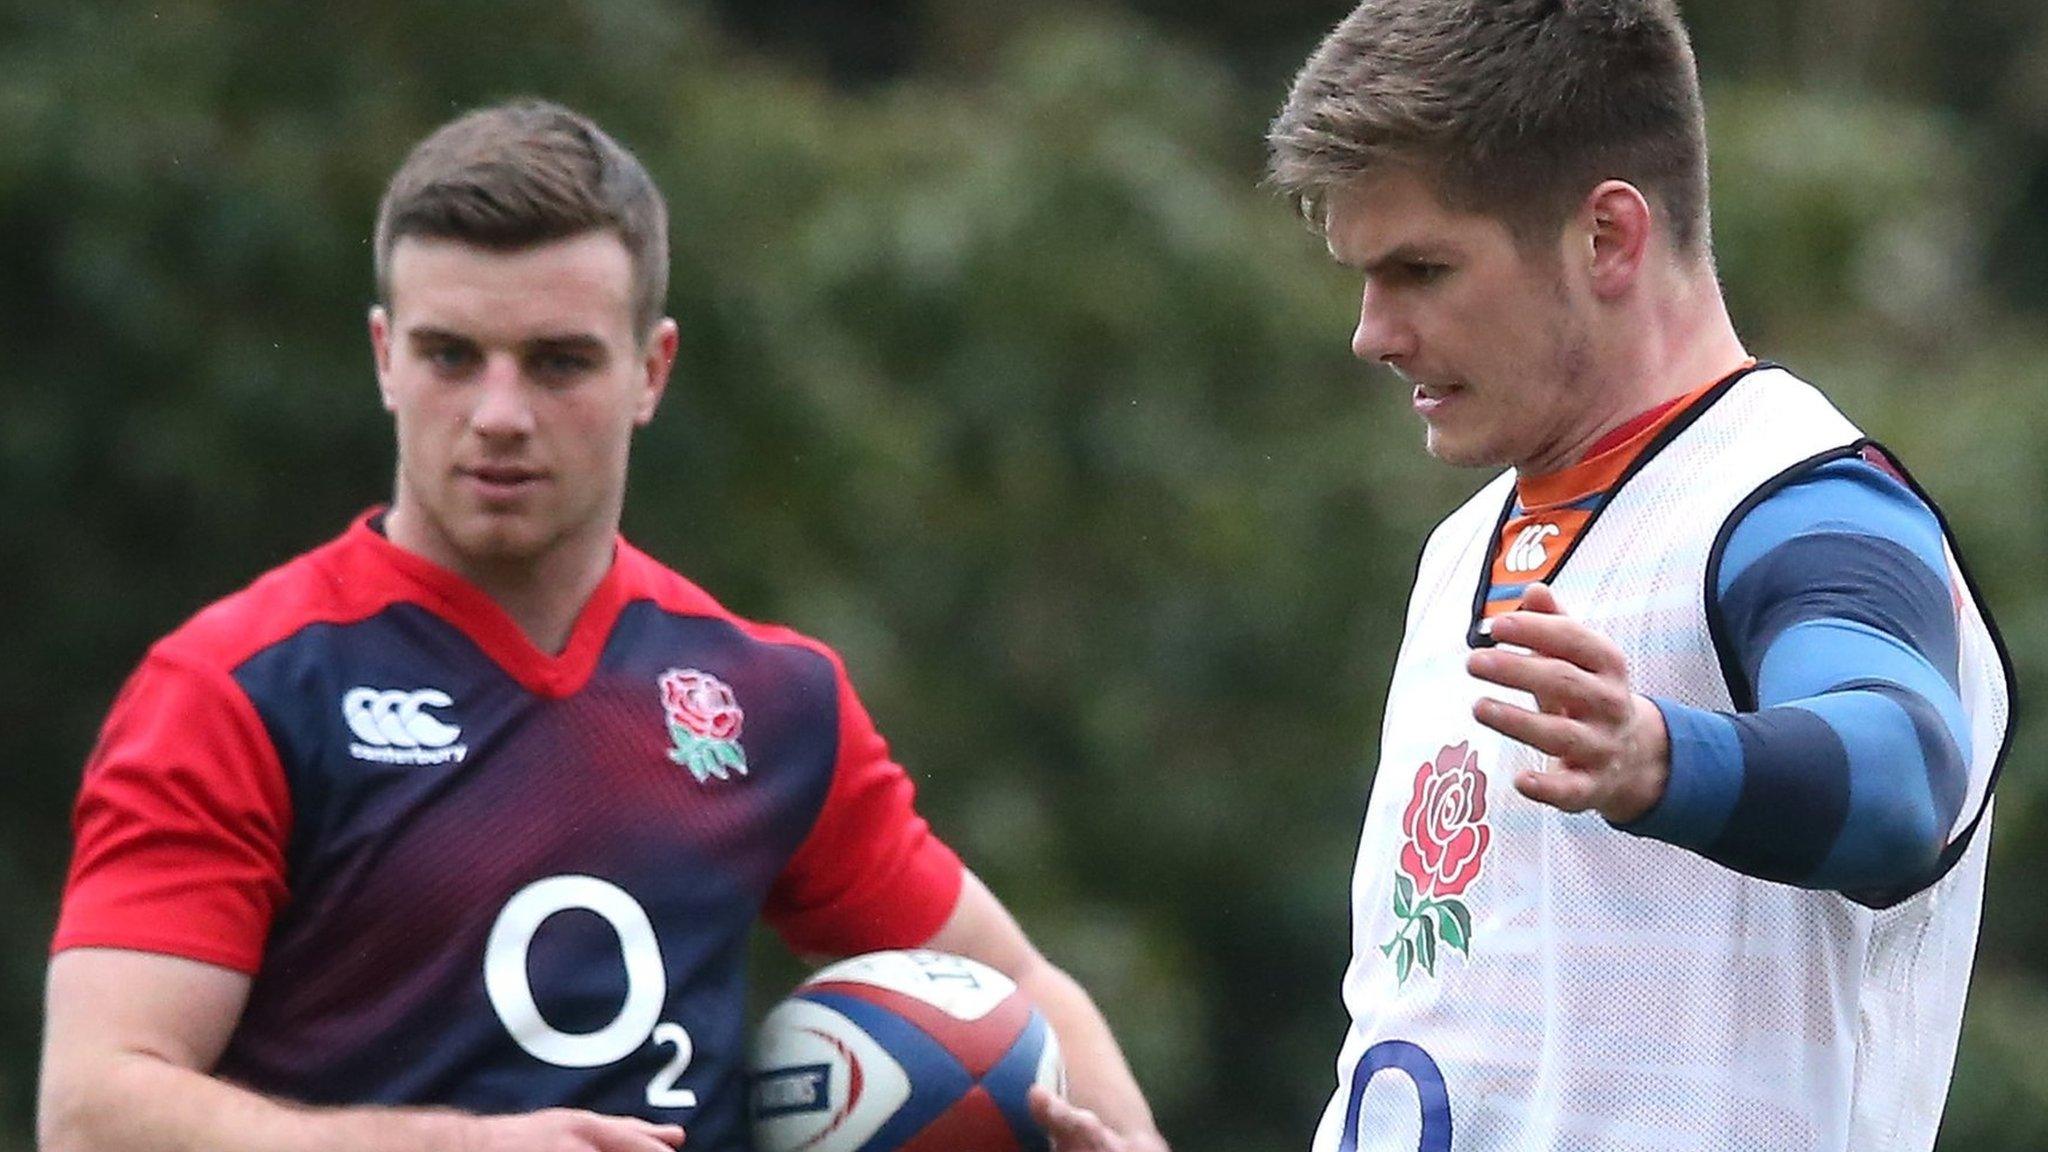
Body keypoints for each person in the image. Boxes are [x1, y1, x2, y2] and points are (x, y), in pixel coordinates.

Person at [38, 100, 1166, 1152]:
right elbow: (92, 1109)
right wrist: (450, 1148)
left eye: (558, 361)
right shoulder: (237, 686)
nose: (497, 414)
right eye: (449, 356)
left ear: (651, 370)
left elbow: (1015, 989)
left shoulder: (761, 698)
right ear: (385, 357)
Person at [1266, 2, 2012, 1149]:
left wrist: (1669, 757)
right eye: (1362, 276)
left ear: (1606, 236)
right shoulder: (1461, 550)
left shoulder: (1800, 507)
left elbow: (1901, 772)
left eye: (1419, 268)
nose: (1371, 332)